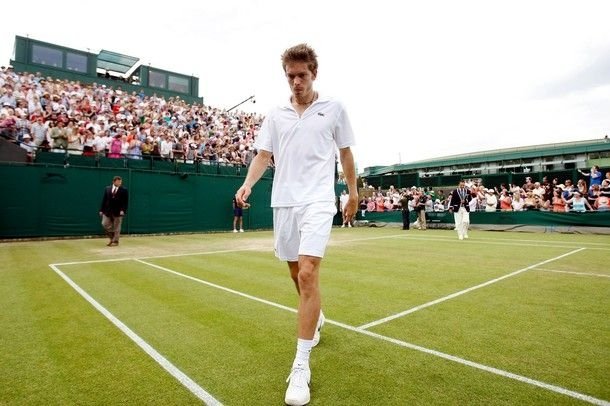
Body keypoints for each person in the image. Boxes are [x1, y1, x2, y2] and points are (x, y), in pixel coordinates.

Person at [234, 43, 357, 406]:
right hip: (283, 201)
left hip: (319, 199)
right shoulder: (275, 115)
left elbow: (346, 153)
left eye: (302, 75)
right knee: (294, 272)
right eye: (290, 76)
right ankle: (316, 316)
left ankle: (301, 364)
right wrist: (247, 183)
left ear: (313, 73)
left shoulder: (334, 108)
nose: (296, 82)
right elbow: (263, 156)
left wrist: (352, 192)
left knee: (307, 273)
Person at [99, 175, 128, 246]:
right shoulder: (107, 188)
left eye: (120, 182)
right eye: (118, 182)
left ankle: (115, 241)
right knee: (104, 224)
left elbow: (125, 202)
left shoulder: (124, 190)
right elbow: (104, 200)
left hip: (118, 211)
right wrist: (101, 210)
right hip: (107, 211)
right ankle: (112, 236)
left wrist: (123, 210)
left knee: (117, 226)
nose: (119, 183)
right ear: (113, 182)